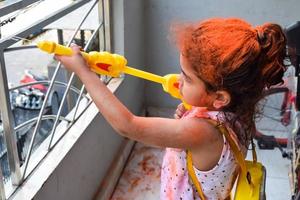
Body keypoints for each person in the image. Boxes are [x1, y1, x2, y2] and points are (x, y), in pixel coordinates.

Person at [55, 18, 287, 200]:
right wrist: (190, 113)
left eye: (187, 78)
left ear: (219, 98)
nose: (178, 80)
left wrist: (84, 72)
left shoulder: (202, 132)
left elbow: (128, 125)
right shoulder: (238, 111)